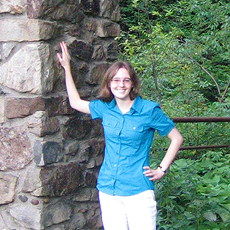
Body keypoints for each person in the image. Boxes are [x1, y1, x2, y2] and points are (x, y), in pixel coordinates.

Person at [57, 41, 183, 230]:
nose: (121, 85)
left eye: (125, 80)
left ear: (132, 84)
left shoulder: (148, 110)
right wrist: (67, 67)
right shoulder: (105, 109)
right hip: (108, 190)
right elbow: (75, 102)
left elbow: (177, 138)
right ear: (109, 83)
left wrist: (161, 169)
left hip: (138, 192)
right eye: (115, 80)